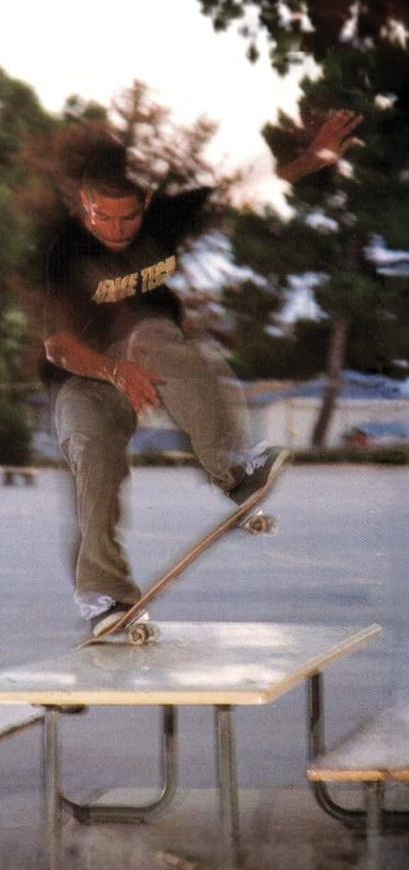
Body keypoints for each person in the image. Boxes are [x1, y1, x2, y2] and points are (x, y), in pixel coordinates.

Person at [44, 111, 363, 637]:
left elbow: (247, 190)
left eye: (128, 219)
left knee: (152, 334)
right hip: (85, 375)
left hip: (150, 353)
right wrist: (115, 373)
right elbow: (57, 345)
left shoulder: (171, 215)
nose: (116, 231)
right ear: (85, 203)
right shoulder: (63, 250)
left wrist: (313, 159)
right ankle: (105, 595)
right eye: (103, 217)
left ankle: (235, 469)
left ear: (147, 203)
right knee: (92, 453)